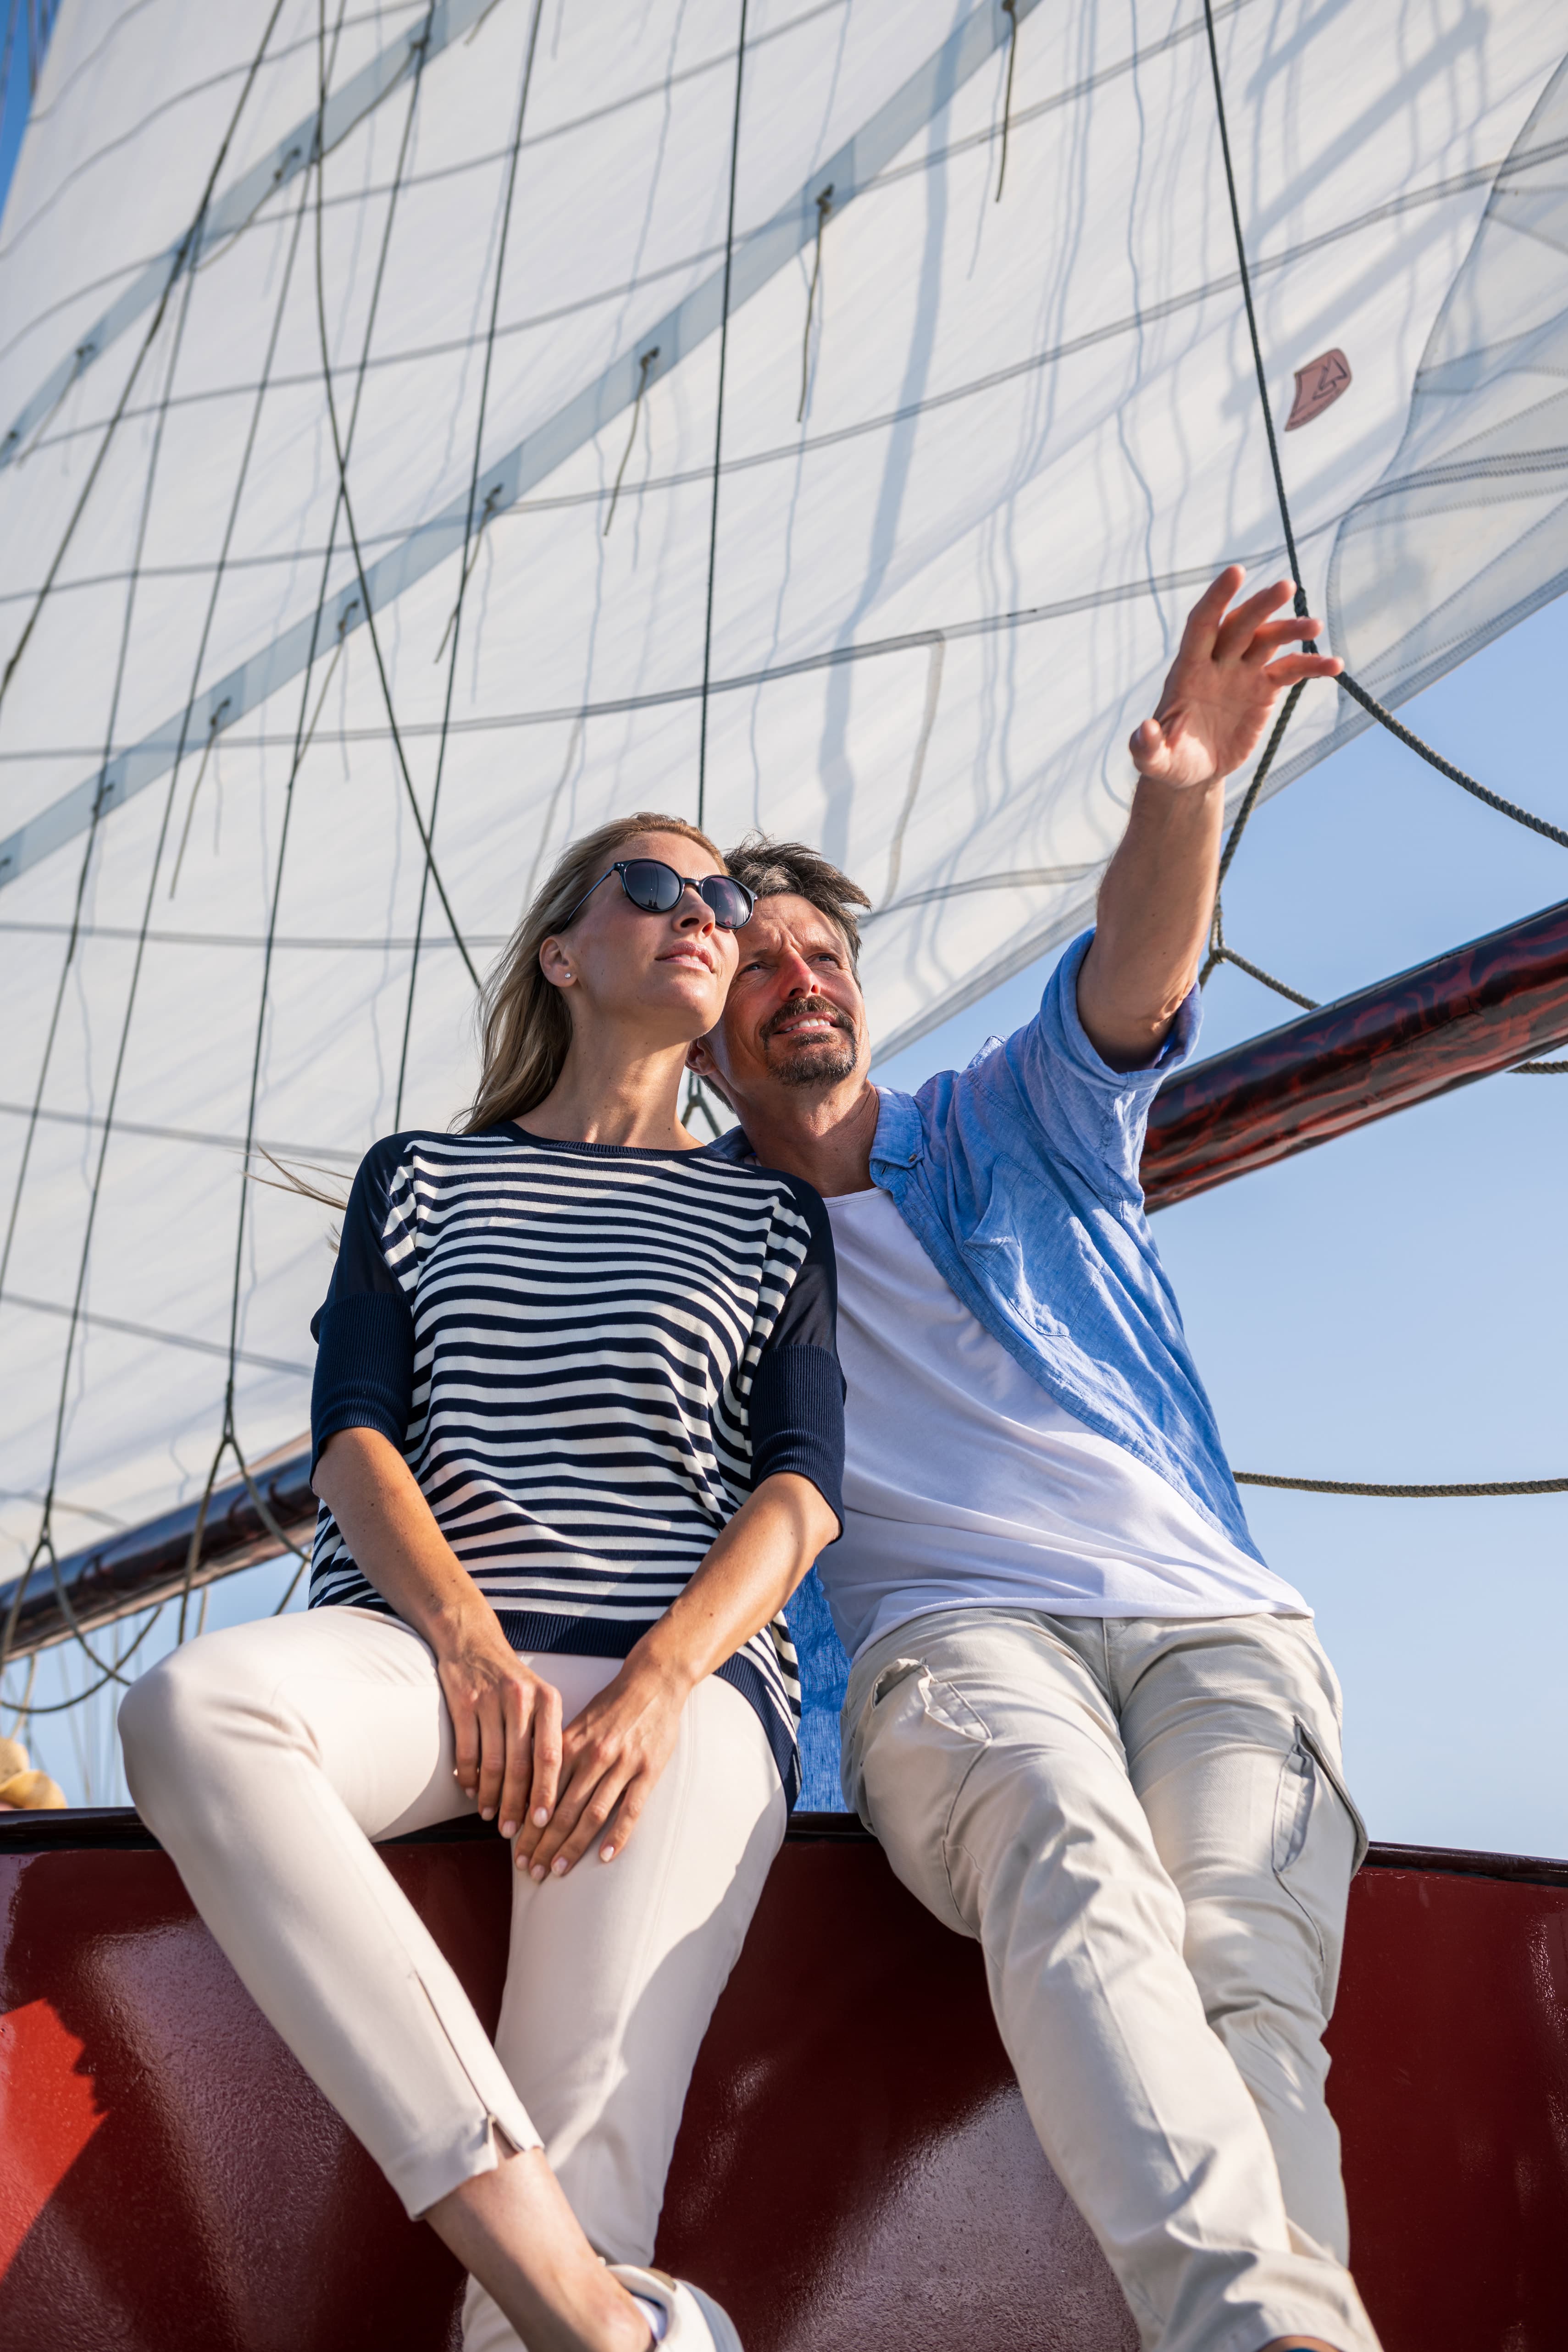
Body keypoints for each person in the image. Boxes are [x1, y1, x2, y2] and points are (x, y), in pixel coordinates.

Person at [687, 569, 1380, 2352]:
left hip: (1213, 1624)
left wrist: (1182, 793)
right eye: (757, 966)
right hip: (948, 1647)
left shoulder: (1006, 1125)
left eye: (823, 954)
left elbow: (1133, 977)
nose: (801, 981)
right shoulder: (689, 1257)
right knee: (1066, 1838)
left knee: (1244, 1975)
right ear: (707, 1037)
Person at [121, 815, 844, 2352]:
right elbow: (355, 1435)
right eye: (654, 887)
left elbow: (799, 1490)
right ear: (563, 953)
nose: (704, 913)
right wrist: (467, 1646)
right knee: (195, 1708)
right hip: (425, 1653)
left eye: (722, 897)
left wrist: (659, 1687)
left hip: (677, 1692)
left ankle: (574, 2306)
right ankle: (588, 2299)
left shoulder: (764, 1212)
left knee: (595, 2173)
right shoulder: (423, 1176)